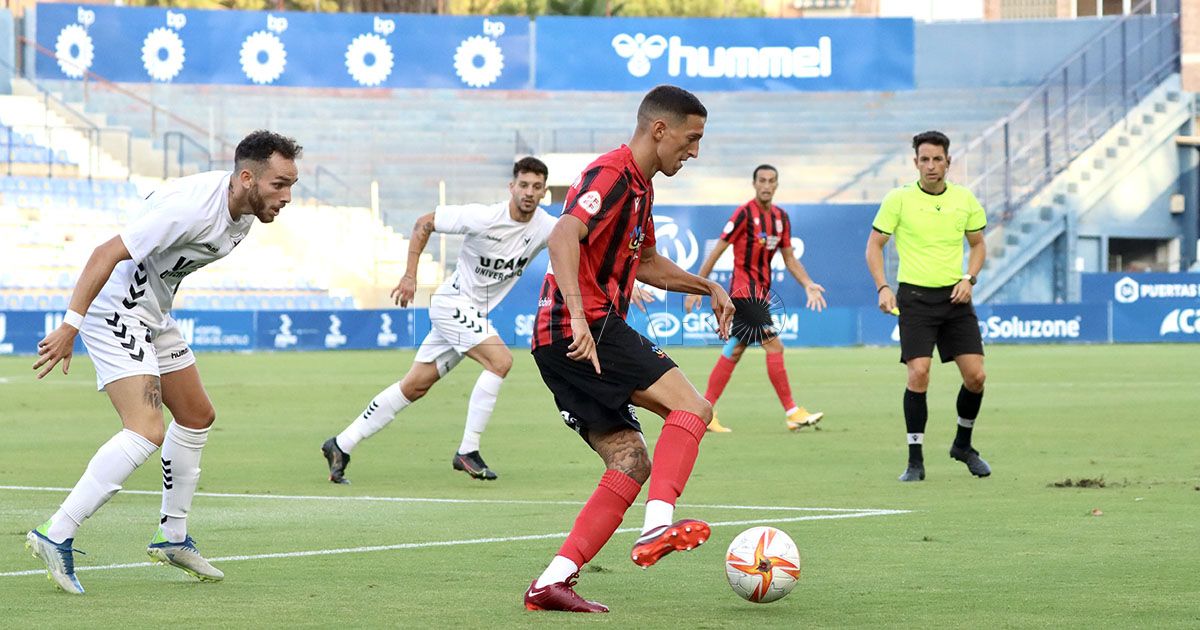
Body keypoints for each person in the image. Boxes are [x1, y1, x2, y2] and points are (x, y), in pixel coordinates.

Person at [27, 130, 303, 594]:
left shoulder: (245, 214)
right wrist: (70, 325)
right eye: (280, 185)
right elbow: (106, 253)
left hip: (153, 312)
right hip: (115, 308)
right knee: (146, 429)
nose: (287, 197)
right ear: (248, 177)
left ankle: (171, 537)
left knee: (196, 415)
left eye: (292, 185)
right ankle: (56, 533)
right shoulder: (193, 208)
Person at [523, 85, 734, 614]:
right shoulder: (612, 174)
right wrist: (577, 312)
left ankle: (552, 582)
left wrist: (706, 286)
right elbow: (563, 236)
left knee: (630, 458)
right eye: (692, 139)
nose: (695, 151)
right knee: (694, 406)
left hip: (561, 342)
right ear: (659, 130)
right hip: (584, 326)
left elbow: (647, 264)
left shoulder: (642, 188)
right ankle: (657, 527)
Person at [321, 157, 555, 484]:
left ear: (544, 192)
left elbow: (580, 251)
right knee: (500, 361)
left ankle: (341, 444)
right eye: (524, 185)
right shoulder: (484, 216)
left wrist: (622, 285)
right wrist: (409, 276)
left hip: (471, 314)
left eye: (536, 187)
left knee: (415, 386)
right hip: (452, 304)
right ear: (511, 187)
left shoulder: (545, 226)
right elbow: (423, 223)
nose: (529, 192)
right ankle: (467, 451)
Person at [865, 130, 991, 483]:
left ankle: (963, 445)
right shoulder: (898, 199)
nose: (931, 166)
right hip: (915, 300)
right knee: (918, 373)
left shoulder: (965, 199)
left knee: (976, 376)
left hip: (955, 299)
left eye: (938, 159)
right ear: (915, 162)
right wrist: (883, 287)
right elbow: (874, 246)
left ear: (948, 162)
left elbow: (979, 245)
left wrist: (969, 278)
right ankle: (915, 460)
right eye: (924, 159)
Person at [684, 165, 827, 433]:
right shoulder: (743, 214)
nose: (766, 185)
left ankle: (704, 411)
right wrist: (698, 287)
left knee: (735, 350)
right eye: (762, 180)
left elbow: (789, 258)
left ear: (776, 185)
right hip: (743, 294)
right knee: (775, 347)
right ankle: (792, 412)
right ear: (754, 184)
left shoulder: (781, 218)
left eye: (771, 181)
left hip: (760, 296)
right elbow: (717, 251)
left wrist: (808, 283)